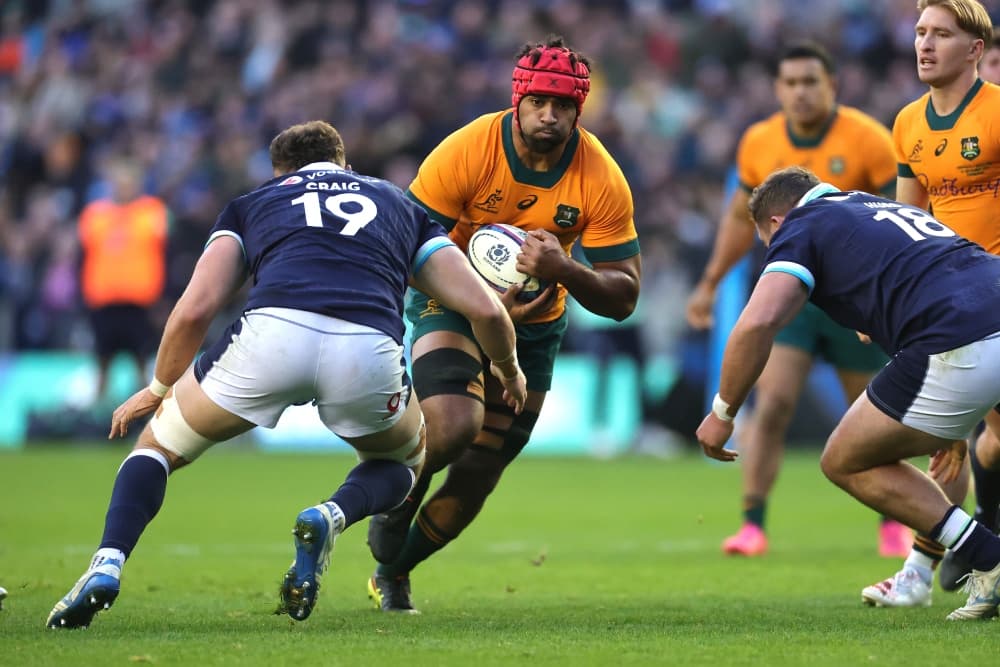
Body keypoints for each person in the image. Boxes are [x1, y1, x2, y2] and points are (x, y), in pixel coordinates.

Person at [45, 120, 527, 629]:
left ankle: (107, 565)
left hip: (272, 336)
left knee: (157, 448)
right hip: (366, 347)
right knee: (404, 463)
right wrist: (508, 369)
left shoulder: (255, 202)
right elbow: (487, 312)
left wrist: (158, 388)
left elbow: (195, 309)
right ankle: (332, 514)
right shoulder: (398, 205)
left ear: (281, 172)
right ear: (345, 164)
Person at [365, 35, 641, 613]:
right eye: (538, 101)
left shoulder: (601, 176)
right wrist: (480, 302)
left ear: (578, 110)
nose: (549, 114)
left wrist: (564, 267)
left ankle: (395, 570)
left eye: (562, 105)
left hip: (537, 330)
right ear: (517, 100)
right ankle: (395, 492)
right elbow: (406, 249)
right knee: (453, 424)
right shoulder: (467, 150)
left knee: (479, 474)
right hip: (451, 305)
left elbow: (624, 296)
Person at [697, 165, 1000, 621]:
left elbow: (759, 321)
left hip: (958, 338)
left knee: (844, 459)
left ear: (775, 223)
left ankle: (988, 556)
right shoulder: (869, 205)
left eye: (767, 242)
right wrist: (953, 420)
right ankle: (927, 571)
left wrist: (723, 411)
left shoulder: (801, 226)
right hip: (982, 308)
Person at [685, 42, 909, 558]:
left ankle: (893, 522)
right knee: (774, 403)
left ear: (832, 85)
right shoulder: (758, 143)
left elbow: (895, 221)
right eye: (791, 83)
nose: (801, 92)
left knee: (872, 414)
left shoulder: (869, 140)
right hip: (793, 301)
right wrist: (711, 282)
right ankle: (752, 524)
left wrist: (885, 301)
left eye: (811, 81)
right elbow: (739, 219)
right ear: (777, 89)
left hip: (856, 303)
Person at [864, 0, 1000, 607]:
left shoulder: (997, 114)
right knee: (961, 440)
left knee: (987, 441)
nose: (925, 44)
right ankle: (945, 567)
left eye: (941, 34)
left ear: (975, 49)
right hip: (951, 303)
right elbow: (909, 223)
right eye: (920, 32)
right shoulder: (907, 124)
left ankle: (958, 563)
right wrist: (886, 308)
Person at [78, 158, 169, 405]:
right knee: (102, 362)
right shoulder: (94, 215)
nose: (124, 187)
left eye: (129, 182)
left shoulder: (151, 212)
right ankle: (97, 422)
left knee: (142, 362)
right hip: (104, 301)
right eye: (120, 182)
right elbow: (83, 255)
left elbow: (164, 251)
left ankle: (144, 416)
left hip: (139, 302)